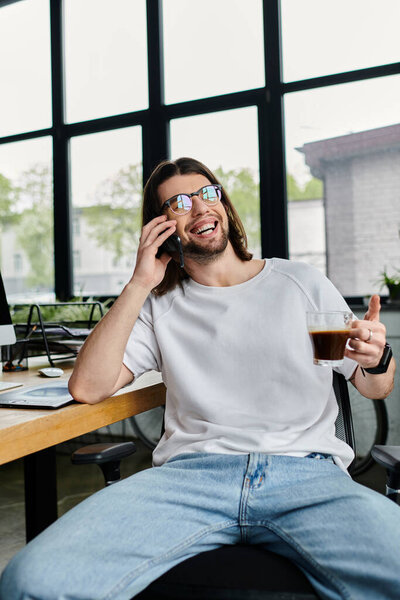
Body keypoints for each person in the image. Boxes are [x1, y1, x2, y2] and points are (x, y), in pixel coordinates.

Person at [1, 157, 399, 600]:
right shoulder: (159, 305)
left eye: (207, 193)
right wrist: (138, 284)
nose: (200, 207)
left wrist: (376, 358)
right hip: (190, 478)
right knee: (30, 583)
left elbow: (373, 385)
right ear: (162, 227)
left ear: (224, 205)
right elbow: (88, 387)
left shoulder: (299, 282)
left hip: (306, 474)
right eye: (179, 203)